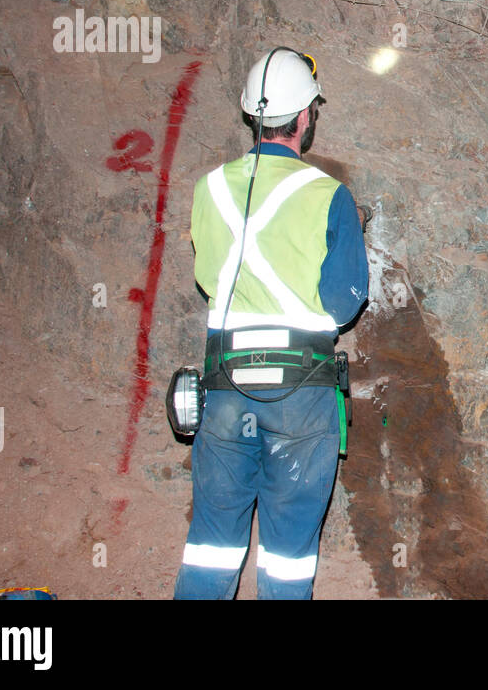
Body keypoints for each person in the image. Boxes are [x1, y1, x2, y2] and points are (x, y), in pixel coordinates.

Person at [174, 46, 368, 600]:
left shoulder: (208, 189)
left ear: (251, 116)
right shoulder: (328, 196)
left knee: (212, 541)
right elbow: (344, 304)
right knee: (287, 557)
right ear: (305, 118)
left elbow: (211, 280)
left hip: (226, 386)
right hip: (300, 395)